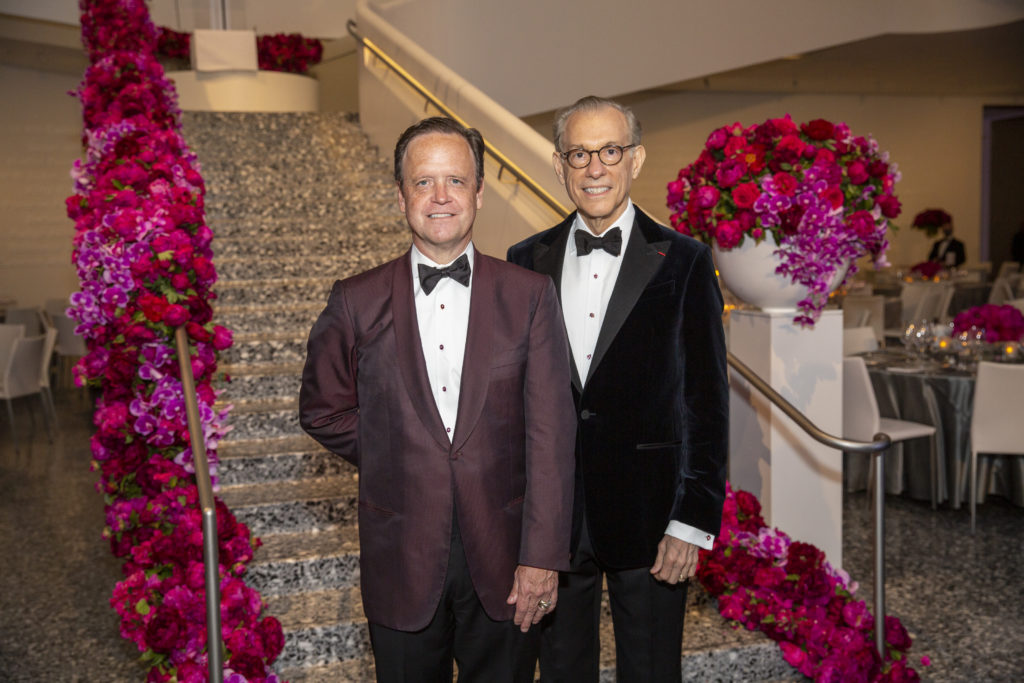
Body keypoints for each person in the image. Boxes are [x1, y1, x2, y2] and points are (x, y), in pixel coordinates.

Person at [300, 117, 576, 682]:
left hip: (507, 559)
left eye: (456, 180)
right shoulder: (355, 300)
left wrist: (543, 557)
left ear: (478, 191)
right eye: (424, 182)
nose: (441, 196)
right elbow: (322, 409)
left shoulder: (530, 296)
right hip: (400, 555)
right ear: (401, 196)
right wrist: (396, 448)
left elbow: (551, 437)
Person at [507, 96, 728, 681]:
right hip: (556, 520)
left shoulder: (684, 260)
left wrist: (690, 521)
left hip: (653, 517)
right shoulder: (524, 261)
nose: (595, 168)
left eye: (610, 150)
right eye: (580, 153)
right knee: (559, 671)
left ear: (636, 159)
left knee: (653, 669)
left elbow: (705, 403)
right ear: (559, 166)